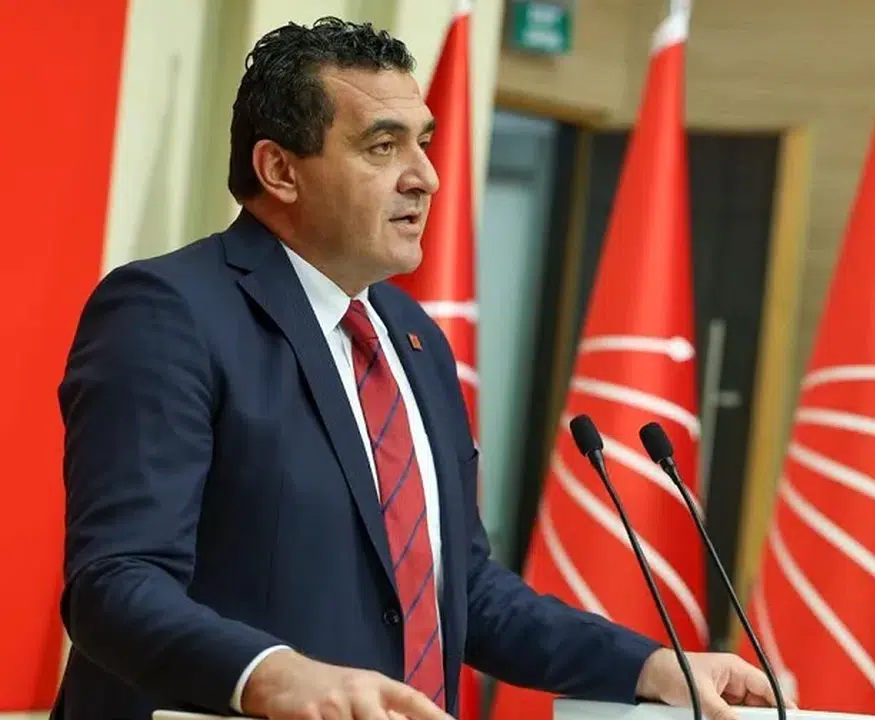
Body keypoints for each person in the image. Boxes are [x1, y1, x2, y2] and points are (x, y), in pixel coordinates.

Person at [53, 16, 791, 720]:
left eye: (425, 143)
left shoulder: (411, 337)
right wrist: (274, 675)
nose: (427, 178)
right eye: (383, 147)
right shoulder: (169, 313)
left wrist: (650, 665)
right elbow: (115, 584)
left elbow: (464, 589)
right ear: (279, 169)